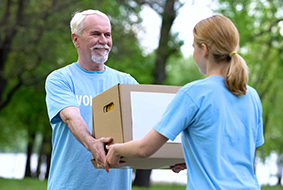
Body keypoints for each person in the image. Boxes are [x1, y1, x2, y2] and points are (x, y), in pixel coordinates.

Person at [105, 15, 264, 190]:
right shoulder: (251, 95)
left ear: (204, 50)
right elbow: (239, 153)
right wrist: (193, 161)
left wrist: (116, 150)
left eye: (193, 46)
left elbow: (145, 149)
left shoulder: (194, 93)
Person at [45, 9, 138, 190]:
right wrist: (92, 144)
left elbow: (146, 126)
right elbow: (70, 117)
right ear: (75, 39)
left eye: (107, 34)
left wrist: (171, 157)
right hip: (69, 185)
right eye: (96, 34)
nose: (103, 41)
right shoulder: (61, 79)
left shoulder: (126, 82)